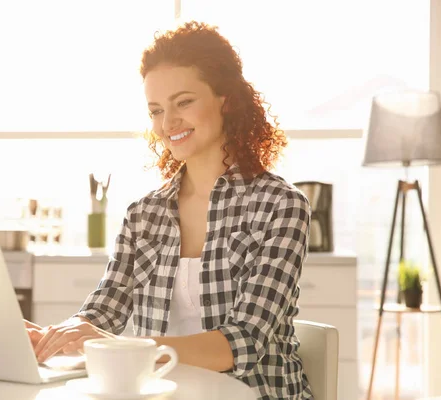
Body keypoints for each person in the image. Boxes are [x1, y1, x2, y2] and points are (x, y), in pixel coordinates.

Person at [25, 21, 313, 399]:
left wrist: (121, 347)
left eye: (184, 102)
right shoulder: (143, 213)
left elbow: (242, 342)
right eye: (156, 110)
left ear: (225, 99)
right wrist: (56, 337)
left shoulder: (281, 206)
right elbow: (102, 312)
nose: (167, 123)